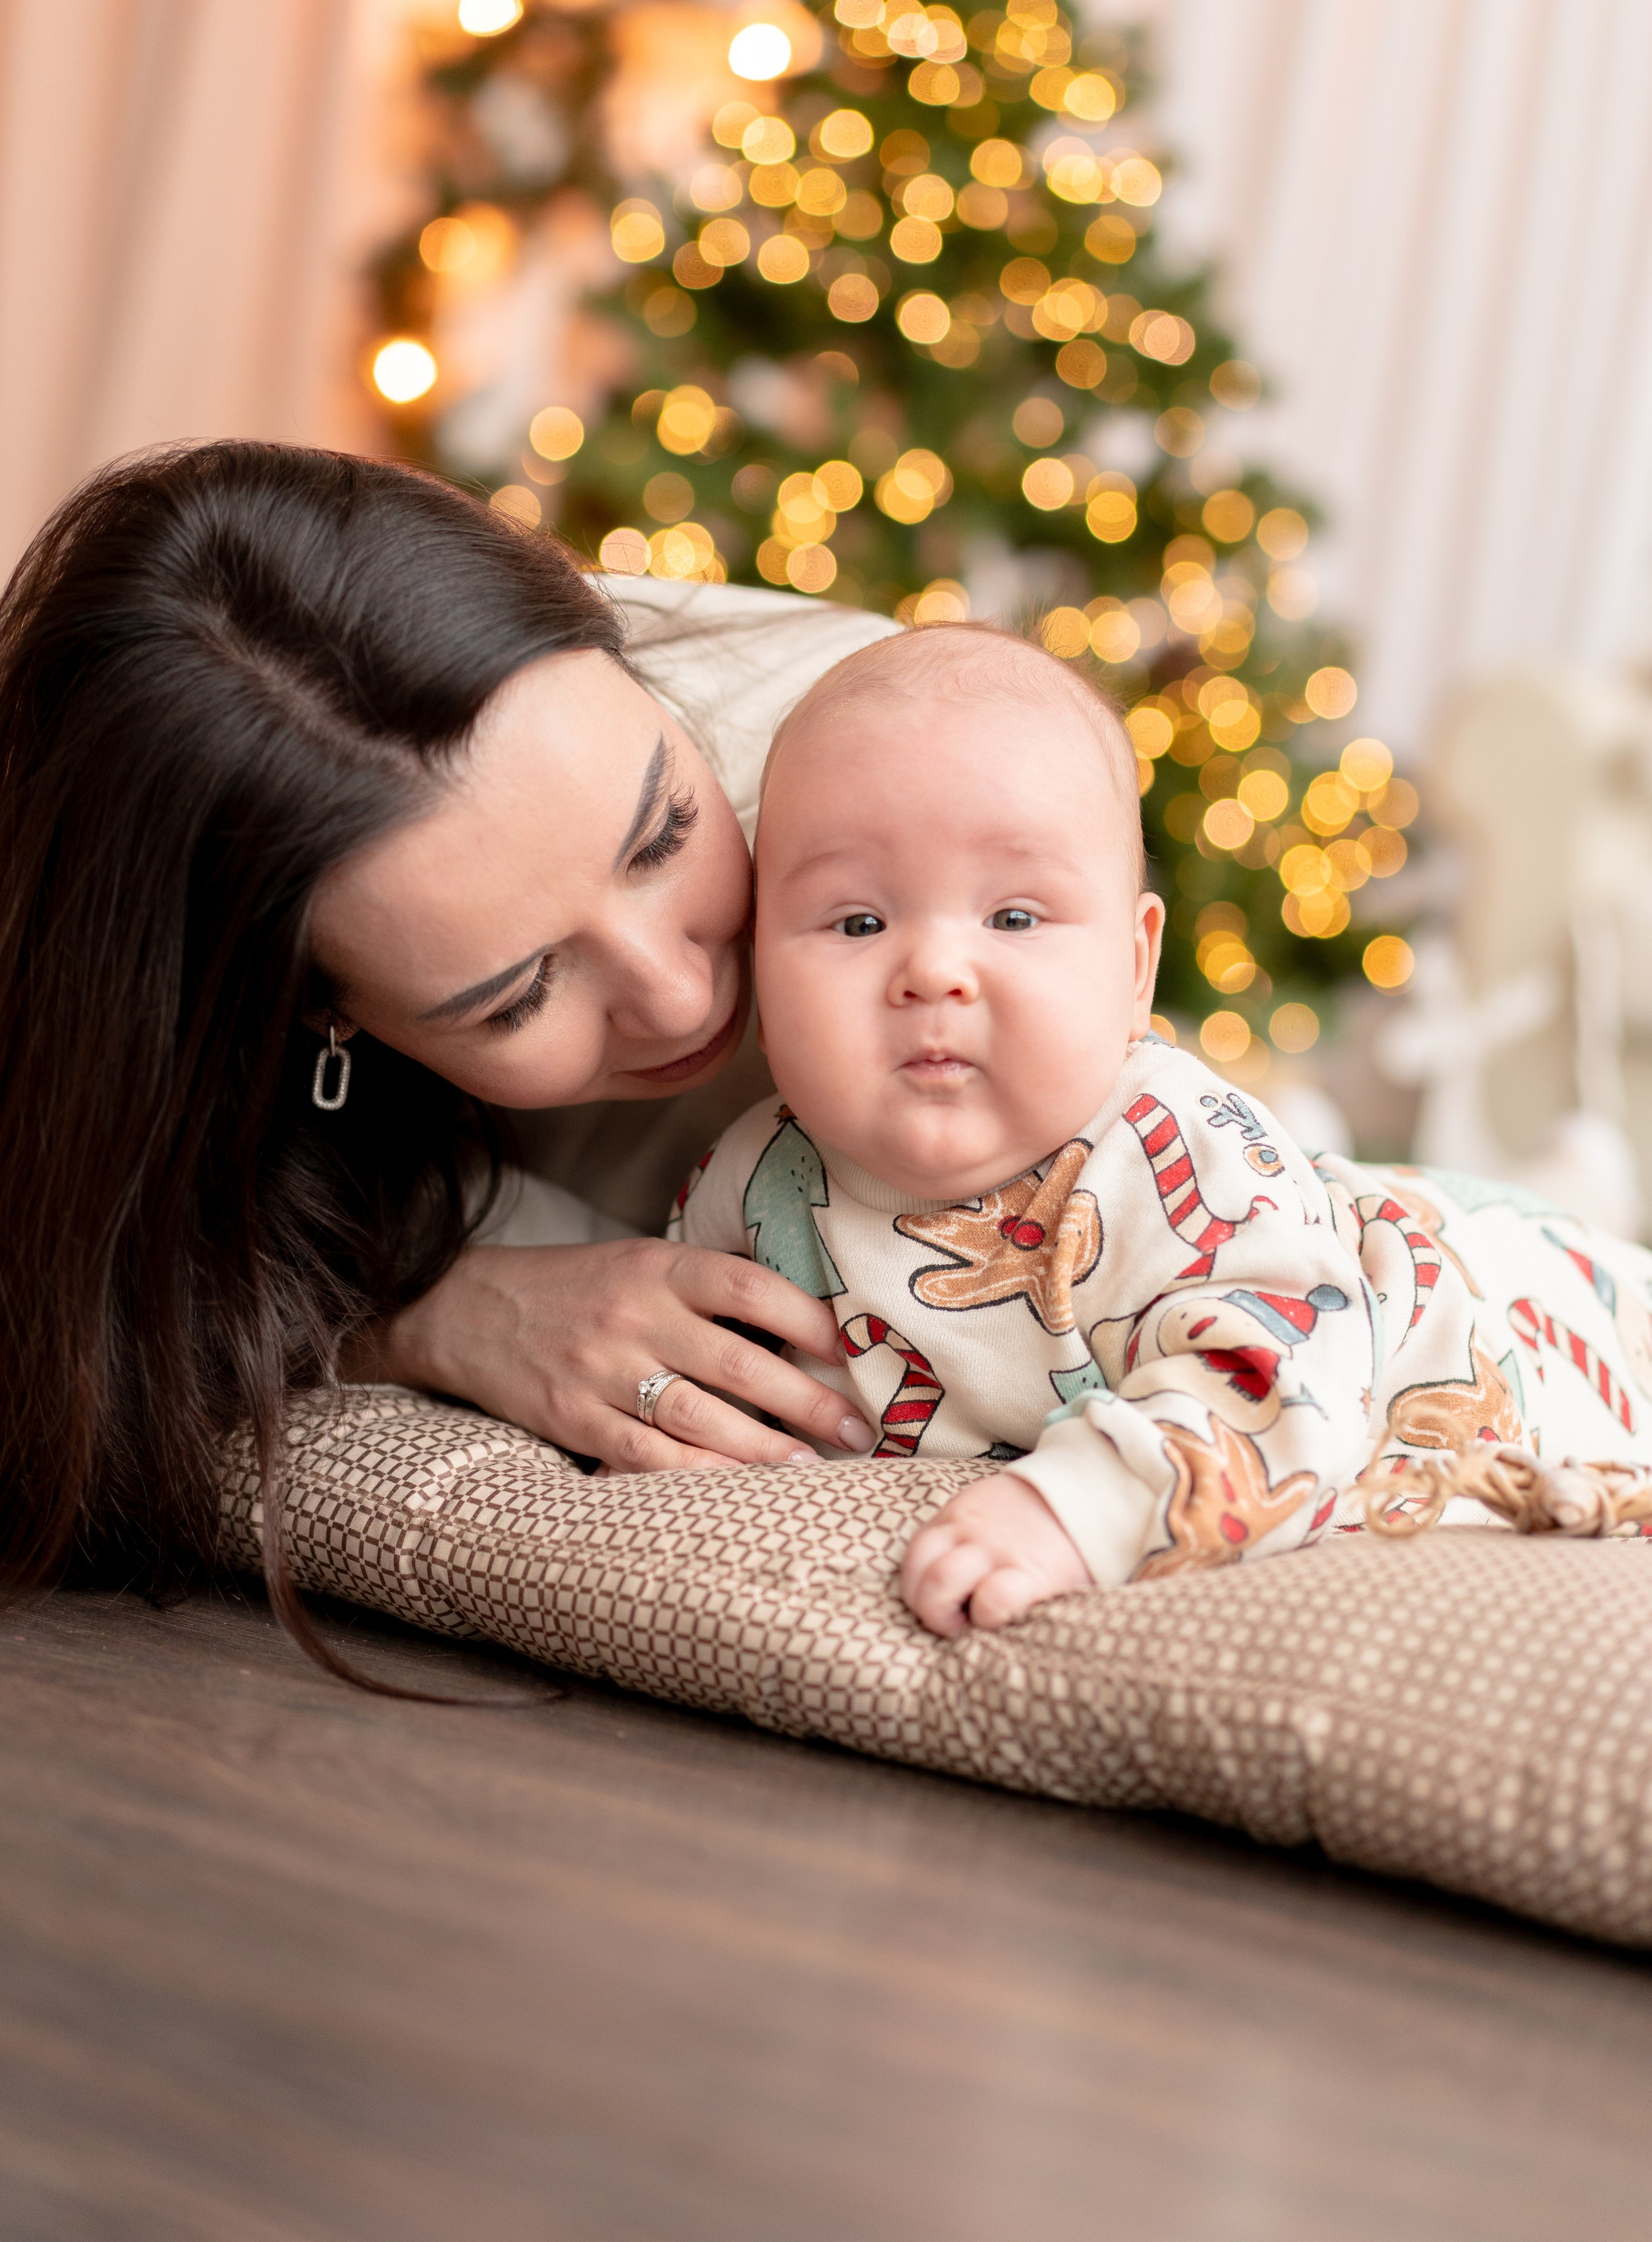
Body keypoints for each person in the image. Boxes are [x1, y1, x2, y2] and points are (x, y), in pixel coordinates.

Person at [0, 441, 899, 1664]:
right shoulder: (135, 1009)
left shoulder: (890, 761)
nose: (680, 994)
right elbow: (77, 1336)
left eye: (665, 833)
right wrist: (428, 1311)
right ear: (322, 1017)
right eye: (519, 993)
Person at [670, 623, 1652, 1636]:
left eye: (1013, 918)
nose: (934, 971)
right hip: (1335, 1209)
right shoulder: (750, 1177)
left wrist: (1075, 1509)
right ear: (760, 959)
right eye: (857, 922)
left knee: (1585, 1286)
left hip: (1478, 1311)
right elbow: (681, 1353)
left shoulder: (1168, 1144)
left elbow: (1279, 1391)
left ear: (1134, 971)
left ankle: (1576, 1191)